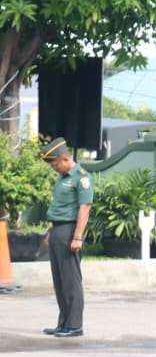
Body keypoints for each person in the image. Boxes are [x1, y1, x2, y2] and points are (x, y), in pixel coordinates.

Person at [40, 138, 93, 338]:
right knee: (60, 280)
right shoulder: (62, 178)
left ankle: (75, 325)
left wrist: (77, 237)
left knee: (71, 280)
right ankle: (63, 323)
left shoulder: (82, 177)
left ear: (65, 158)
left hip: (70, 231)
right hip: (57, 230)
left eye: (55, 164)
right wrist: (50, 231)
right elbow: (58, 207)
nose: (54, 168)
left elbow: (84, 208)